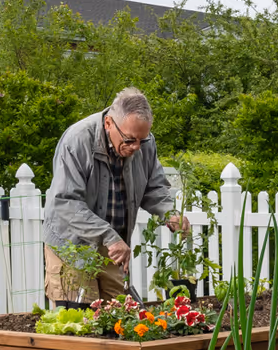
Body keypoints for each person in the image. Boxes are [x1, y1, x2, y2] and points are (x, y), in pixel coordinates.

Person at [42, 87, 189, 305]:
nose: (137, 147)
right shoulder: (78, 140)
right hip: (73, 246)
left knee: (124, 316)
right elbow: (66, 202)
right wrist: (108, 235)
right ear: (109, 123)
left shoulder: (143, 142)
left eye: (142, 140)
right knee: (80, 322)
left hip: (113, 249)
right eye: (130, 140)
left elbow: (154, 187)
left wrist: (170, 212)